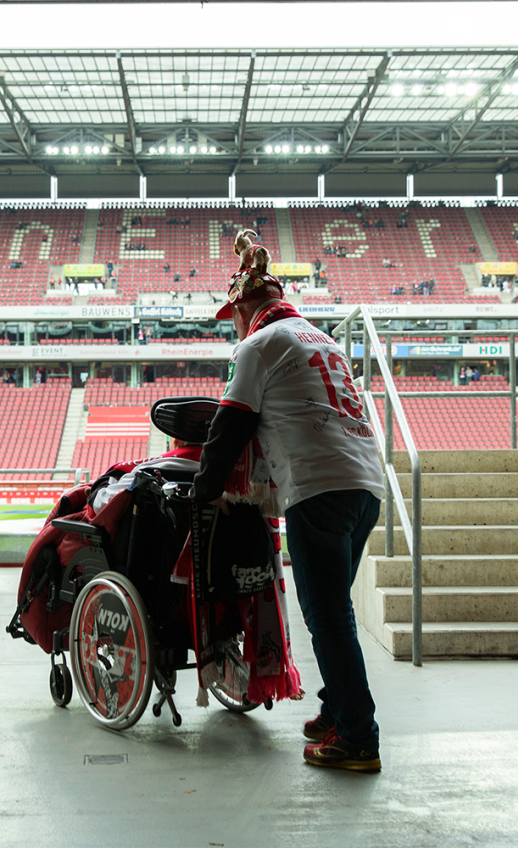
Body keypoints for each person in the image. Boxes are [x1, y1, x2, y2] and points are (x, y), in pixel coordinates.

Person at [190, 248, 384, 772]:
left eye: (231, 317)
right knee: (333, 609)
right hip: (366, 483)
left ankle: (359, 738)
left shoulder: (258, 344)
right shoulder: (322, 339)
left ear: (243, 310)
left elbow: (228, 427)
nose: (232, 326)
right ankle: (337, 708)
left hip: (319, 487)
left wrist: (203, 490)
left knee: (328, 617)